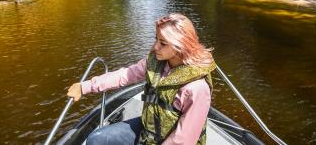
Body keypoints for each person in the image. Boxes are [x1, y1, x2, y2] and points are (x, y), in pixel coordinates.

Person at [67, 13, 216, 145]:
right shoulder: (155, 63)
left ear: (180, 46)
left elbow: (183, 140)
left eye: (163, 43)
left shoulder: (197, 88)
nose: (155, 47)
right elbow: (125, 75)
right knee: (97, 139)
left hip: (173, 140)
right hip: (149, 130)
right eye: (156, 39)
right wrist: (85, 87)